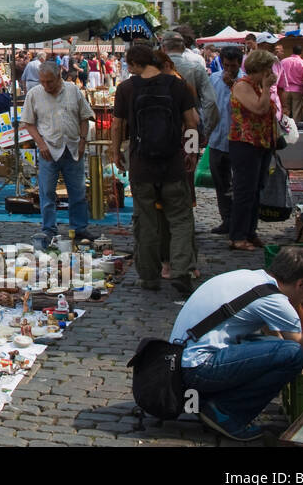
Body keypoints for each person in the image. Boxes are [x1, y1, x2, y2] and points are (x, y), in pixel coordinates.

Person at [173, 247, 303, 441]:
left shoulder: (251, 279)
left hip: (181, 360)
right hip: (198, 368)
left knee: (280, 350)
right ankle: (227, 413)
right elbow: (301, 349)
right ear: (300, 284)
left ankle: (214, 401)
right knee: (294, 354)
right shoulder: (275, 300)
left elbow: (273, 337)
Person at [111, 42, 199, 295]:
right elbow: (191, 122)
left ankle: (149, 277)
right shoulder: (177, 85)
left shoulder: (126, 88)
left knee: (145, 222)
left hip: (141, 165)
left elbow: (117, 126)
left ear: (134, 64)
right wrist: (191, 151)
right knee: (181, 220)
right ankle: (182, 270)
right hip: (172, 164)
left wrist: (116, 153)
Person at [22, 63, 95, 247]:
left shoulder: (73, 90)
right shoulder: (35, 94)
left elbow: (84, 116)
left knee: (77, 191)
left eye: (50, 82)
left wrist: (82, 141)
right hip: (49, 150)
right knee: (47, 192)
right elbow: (28, 123)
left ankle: (79, 227)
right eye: (43, 81)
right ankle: (49, 228)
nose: (46, 86)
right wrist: (40, 143)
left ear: (59, 77)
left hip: (72, 147)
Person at [228, 49, 278, 251]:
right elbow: (259, 109)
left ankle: (250, 231)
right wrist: (267, 88)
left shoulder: (256, 86)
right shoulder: (243, 85)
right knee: (244, 191)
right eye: (268, 69)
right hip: (245, 144)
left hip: (261, 143)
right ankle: (237, 236)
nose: (271, 73)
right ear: (260, 69)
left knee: (256, 190)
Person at [206, 46, 243, 237]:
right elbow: (209, 106)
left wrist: (233, 85)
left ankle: (239, 222)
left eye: (233, 66)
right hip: (217, 138)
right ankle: (226, 219)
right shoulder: (214, 78)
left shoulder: (245, 81)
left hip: (239, 140)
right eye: (226, 65)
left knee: (239, 184)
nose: (229, 69)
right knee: (221, 182)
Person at [162, 31, 216, 141]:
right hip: (191, 129)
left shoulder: (154, 68)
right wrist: (206, 130)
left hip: (160, 128)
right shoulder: (196, 68)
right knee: (190, 156)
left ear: (163, 48)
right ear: (183, 48)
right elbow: (211, 101)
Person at [278, 43, 303, 121]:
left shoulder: (283, 61)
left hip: (285, 90)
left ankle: (285, 126)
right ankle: (296, 128)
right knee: (296, 110)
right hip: (298, 90)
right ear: (301, 52)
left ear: (292, 51)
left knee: (286, 110)